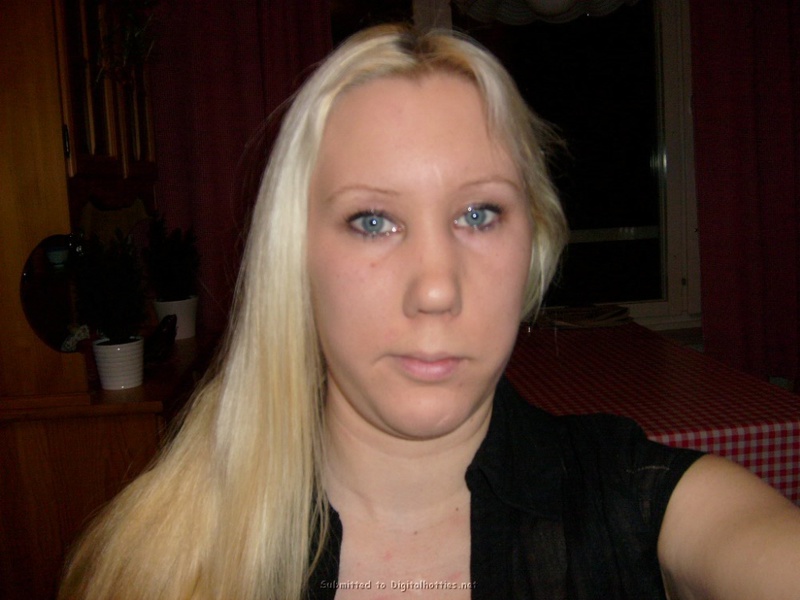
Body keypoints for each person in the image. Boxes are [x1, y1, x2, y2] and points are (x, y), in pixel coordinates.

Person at [59, 24, 800, 600]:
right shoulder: (154, 559)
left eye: (479, 214)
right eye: (373, 221)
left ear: (533, 247)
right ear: (295, 260)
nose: (437, 288)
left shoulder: (645, 504)